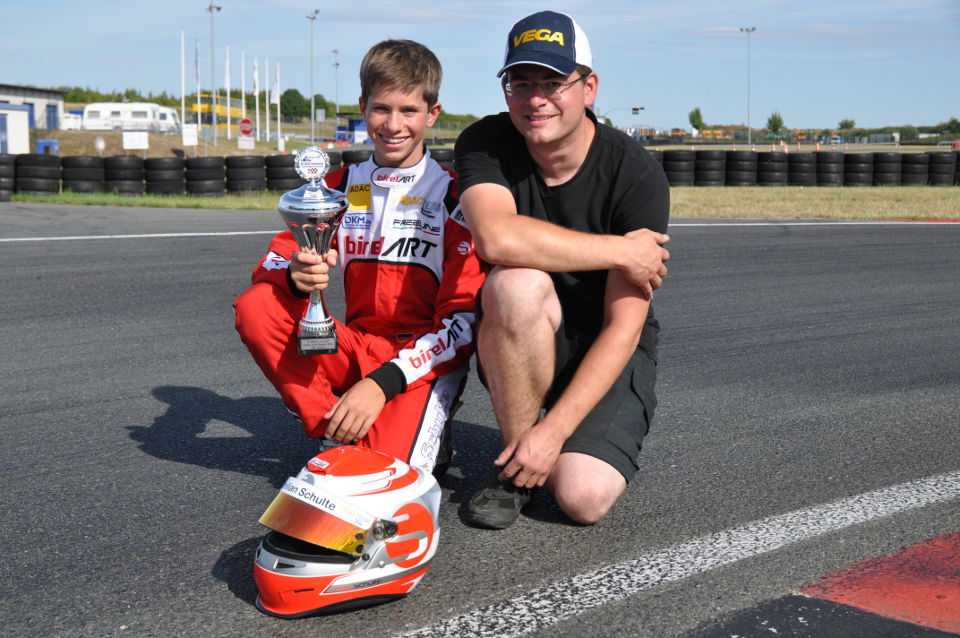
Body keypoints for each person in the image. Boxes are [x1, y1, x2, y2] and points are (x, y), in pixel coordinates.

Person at [453, 11, 670, 528]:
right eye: (520, 83)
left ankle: (548, 443)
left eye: (553, 83)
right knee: (514, 284)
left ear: (589, 87)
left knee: (582, 498)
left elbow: (624, 324)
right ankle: (516, 472)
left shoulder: (635, 174)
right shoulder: (485, 142)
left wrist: (555, 433)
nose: (535, 99)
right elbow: (496, 237)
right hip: (526, 330)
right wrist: (619, 250)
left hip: (606, 342)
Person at [234, 39, 485, 475]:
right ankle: (331, 423)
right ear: (362, 107)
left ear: (433, 114)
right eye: (380, 109)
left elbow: (464, 326)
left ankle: (404, 424)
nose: (393, 124)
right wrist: (295, 274)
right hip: (352, 346)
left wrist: (382, 383)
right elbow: (272, 262)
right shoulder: (334, 187)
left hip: (421, 362)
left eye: (408, 111)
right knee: (257, 305)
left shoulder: (454, 196)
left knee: (385, 476)